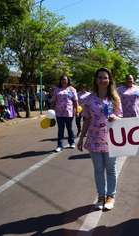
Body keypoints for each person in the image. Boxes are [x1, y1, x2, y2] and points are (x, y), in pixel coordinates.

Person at [77, 67, 123, 210]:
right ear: (96, 80)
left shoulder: (115, 98)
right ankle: (101, 196)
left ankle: (110, 196)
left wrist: (116, 116)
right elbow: (86, 119)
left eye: (105, 78)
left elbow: (121, 116)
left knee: (110, 169)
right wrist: (81, 138)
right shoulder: (89, 99)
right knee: (98, 170)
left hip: (111, 139)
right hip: (94, 140)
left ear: (109, 80)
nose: (103, 80)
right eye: (100, 78)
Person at [50, 75, 79, 152]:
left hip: (69, 112)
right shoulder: (57, 90)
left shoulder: (72, 89)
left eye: (65, 79)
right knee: (60, 129)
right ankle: (60, 145)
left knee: (70, 128)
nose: (64, 81)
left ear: (68, 80)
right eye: (63, 79)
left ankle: (72, 142)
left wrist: (77, 111)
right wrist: (50, 110)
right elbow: (53, 100)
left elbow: (75, 101)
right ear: (60, 80)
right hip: (59, 113)